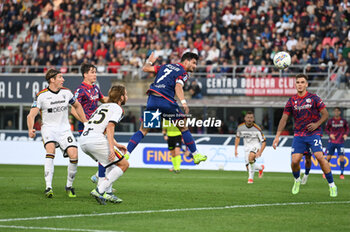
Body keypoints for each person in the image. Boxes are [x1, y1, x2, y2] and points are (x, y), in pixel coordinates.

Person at [125, 52, 207, 164]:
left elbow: (145, 68)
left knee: (143, 130)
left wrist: (150, 60)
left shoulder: (165, 66)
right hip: (166, 102)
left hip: (153, 100)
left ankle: (126, 153)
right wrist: (184, 102)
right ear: (186, 61)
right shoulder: (184, 72)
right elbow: (178, 87)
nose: (195, 66)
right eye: (193, 62)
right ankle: (196, 155)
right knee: (183, 127)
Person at [273, 74, 337, 197]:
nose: (300, 84)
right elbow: (284, 118)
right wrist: (277, 136)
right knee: (294, 161)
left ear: (306, 84)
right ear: (295, 84)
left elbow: (325, 114)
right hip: (299, 134)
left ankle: (332, 185)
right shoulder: (291, 101)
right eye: (298, 82)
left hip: (313, 133)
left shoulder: (314, 98)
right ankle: (297, 180)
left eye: (302, 82)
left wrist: (316, 124)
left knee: (319, 156)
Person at [27, 69, 87, 198]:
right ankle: (48, 187)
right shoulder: (41, 96)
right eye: (60, 77)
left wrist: (85, 121)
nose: (63, 79)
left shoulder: (67, 93)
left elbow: (78, 106)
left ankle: (69, 186)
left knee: (74, 155)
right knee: (50, 151)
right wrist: (31, 128)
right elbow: (31, 115)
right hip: (49, 129)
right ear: (52, 80)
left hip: (64, 130)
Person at [79, 85, 128, 205]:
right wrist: (112, 148)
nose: (127, 96)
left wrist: (116, 144)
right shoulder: (118, 108)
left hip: (84, 140)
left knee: (110, 162)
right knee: (124, 164)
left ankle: (109, 193)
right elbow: (110, 127)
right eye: (125, 94)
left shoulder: (102, 106)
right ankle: (100, 190)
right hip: (96, 140)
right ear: (121, 97)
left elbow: (103, 129)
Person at [71, 63, 109, 186]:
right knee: (106, 156)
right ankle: (102, 185)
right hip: (86, 129)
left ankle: (99, 178)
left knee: (107, 156)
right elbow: (73, 110)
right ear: (85, 74)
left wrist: (117, 96)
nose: (95, 74)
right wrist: (85, 122)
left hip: (97, 128)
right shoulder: (80, 90)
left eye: (95, 72)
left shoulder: (95, 88)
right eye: (92, 72)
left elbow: (104, 100)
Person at [235, 111, 266, 184]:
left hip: (256, 146)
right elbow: (237, 138)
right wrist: (235, 149)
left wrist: (260, 151)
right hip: (246, 148)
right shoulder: (240, 127)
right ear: (245, 118)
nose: (249, 119)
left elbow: (264, 141)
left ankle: (250, 179)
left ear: (253, 119)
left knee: (251, 157)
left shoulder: (257, 129)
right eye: (248, 117)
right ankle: (260, 168)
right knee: (248, 168)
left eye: (251, 118)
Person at [325, 107, 349, 179]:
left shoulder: (343, 121)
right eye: (335, 111)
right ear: (333, 112)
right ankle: (325, 172)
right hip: (331, 141)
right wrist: (330, 134)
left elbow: (347, 129)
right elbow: (326, 129)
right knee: (328, 157)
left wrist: (345, 134)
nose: (336, 112)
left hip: (340, 141)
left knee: (341, 158)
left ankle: (341, 174)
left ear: (339, 112)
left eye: (337, 111)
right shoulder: (330, 121)